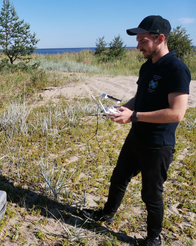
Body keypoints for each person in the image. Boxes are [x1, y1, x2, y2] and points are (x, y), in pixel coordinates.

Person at [82, 15, 191, 246]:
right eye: (138, 40)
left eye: (143, 40)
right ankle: (106, 214)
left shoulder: (177, 69)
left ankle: (153, 239)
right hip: (137, 136)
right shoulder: (147, 67)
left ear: (160, 38)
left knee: (151, 194)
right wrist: (126, 107)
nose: (138, 46)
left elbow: (177, 113)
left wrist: (135, 116)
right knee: (118, 178)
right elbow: (141, 97)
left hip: (158, 143)